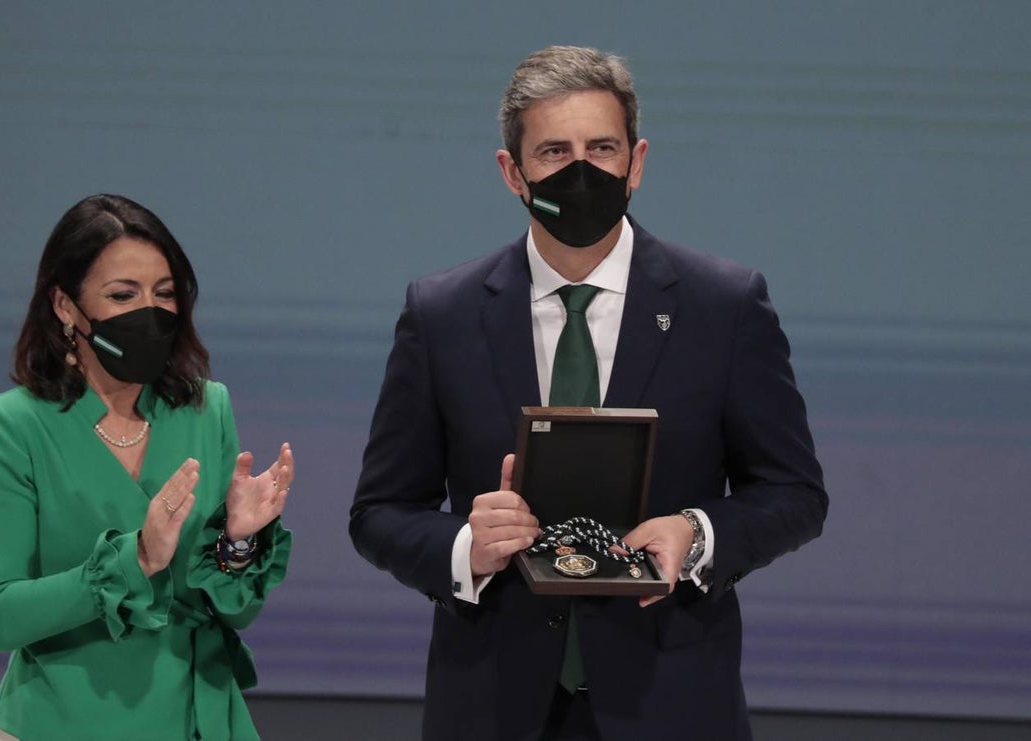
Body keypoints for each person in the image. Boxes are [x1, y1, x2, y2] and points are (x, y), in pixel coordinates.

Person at [349, 46, 827, 740]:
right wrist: (467, 547)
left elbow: (795, 494)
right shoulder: (442, 313)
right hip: (493, 705)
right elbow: (379, 512)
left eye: (602, 148)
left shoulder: (723, 305)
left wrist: (697, 532)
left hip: (670, 704)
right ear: (512, 172)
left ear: (637, 161)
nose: (582, 172)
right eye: (554, 152)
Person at [0, 194, 294, 741]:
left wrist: (237, 543)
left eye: (164, 293)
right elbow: (1, 615)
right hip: (61, 723)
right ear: (65, 305)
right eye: (123, 295)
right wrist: (134, 559)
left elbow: (234, 614)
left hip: (195, 719)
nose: (150, 312)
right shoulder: (9, 426)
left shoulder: (206, 409)